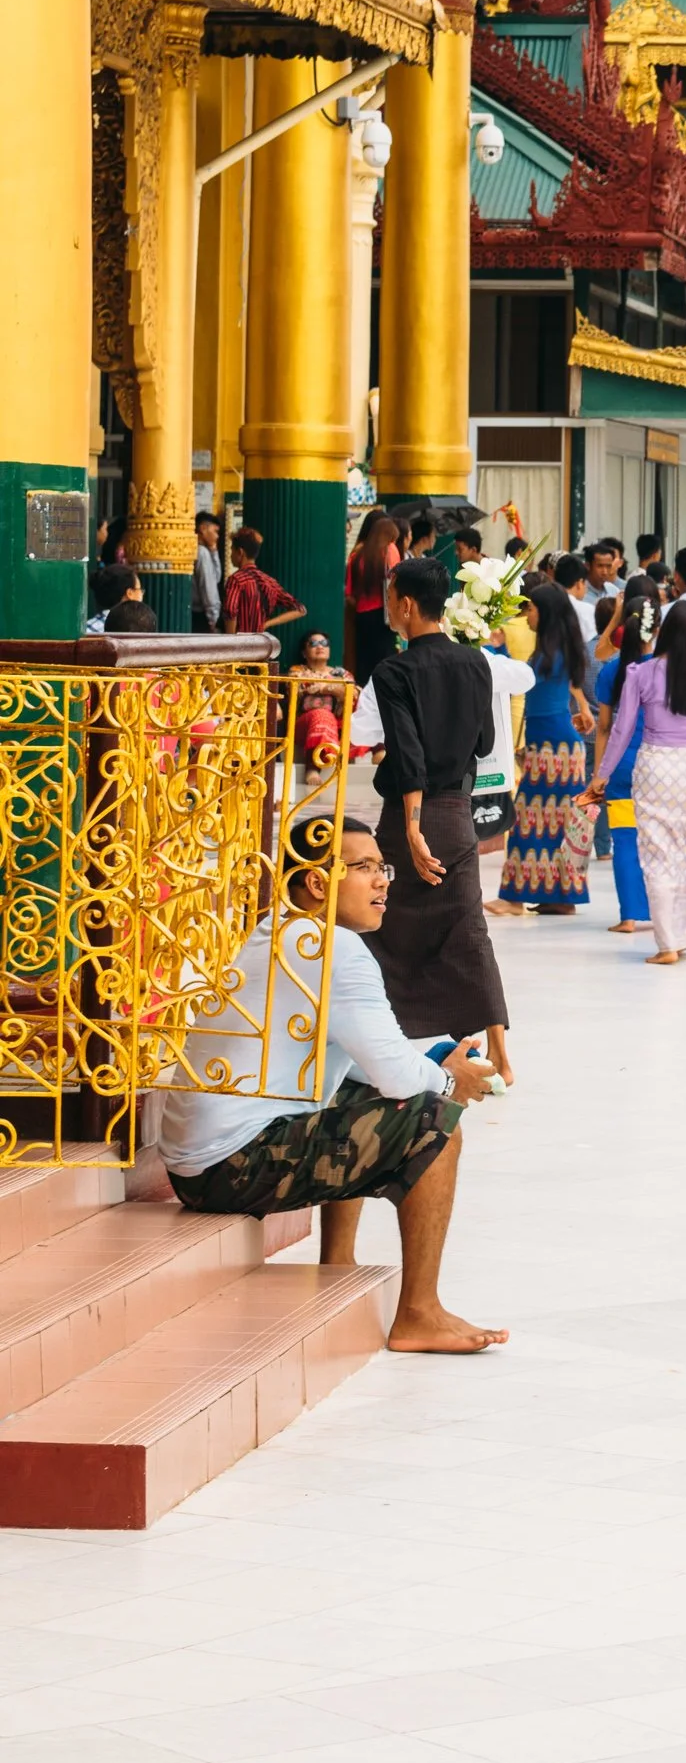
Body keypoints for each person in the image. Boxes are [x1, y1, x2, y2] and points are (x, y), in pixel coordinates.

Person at [163, 813, 505, 1353]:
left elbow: (377, 1064)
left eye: (382, 867)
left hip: (198, 1161)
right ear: (318, 883)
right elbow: (398, 1075)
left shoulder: (282, 930)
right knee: (434, 1122)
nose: (382, 881)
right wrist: (448, 1082)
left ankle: (338, 1264)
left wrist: (437, 1070)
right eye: (364, 868)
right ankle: (418, 1312)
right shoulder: (333, 949)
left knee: (377, 1097)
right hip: (226, 1168)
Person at [367, 557, 510, 1072]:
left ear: (406, 605)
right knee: (467, 929)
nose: (387, 606)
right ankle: (499, 1051)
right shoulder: (476, 663)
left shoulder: (393, 670)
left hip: (413, 822)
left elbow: (407, 756)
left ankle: (375, 1042)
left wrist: (410, 829)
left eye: (388, 597)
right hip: (457, 816)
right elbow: (485, 741)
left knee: (375, 924)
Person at [588, 596, 686, 966]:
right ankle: (680, 936)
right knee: (684, 854)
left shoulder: (640, 673)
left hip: (653, 767)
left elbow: (620, 730)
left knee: (655, 855)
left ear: (663, 630)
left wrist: (601, 776)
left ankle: (667, 944)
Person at [494, 578, 597, 918]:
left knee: (529, 820)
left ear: (547, 612)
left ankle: (513, 897)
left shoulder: (550, 653)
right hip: (559, 744)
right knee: (558, 825)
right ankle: (561, 896)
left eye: (532, 608)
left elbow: (526, 681)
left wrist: (497, 653)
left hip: (551, 746)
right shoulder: (561, 649)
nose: (527, 615)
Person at [590, 580, 659, 935]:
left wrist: (598, 776)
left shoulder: (612, 671)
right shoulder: (664, 670)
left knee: (626, 839)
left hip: (622, 766)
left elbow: (604, 728)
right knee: (659, 840)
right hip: (661, 764)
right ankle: (660, 911)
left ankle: (629, 916)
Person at [221, 525, 306, 645]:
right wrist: (266, 624)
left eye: (231, 551)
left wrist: (231, 641)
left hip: (240, 645)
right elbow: (300, 609)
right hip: (260, 645)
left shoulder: (236, 579)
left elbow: (230, 612)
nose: (230, 556)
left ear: (240, 552)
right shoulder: (269, 581)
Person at [346, 511, 401, 686]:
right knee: (385, 663)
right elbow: (397, 579)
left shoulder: (356, 555)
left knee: (364, 663)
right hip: (383, 616)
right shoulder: (390, 550)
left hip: (362, 616)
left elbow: (349, 593)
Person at [291, 629, 348, 772]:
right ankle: (312, 768)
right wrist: (335, 687)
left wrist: (323, 688)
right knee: (322, 714)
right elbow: (301, 685)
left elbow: (352, 693)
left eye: (324, 643)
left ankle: (379, 754)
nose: (320, 646)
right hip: (302, 726)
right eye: (314, 643)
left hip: (335, 725)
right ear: (304, 652)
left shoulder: (340, 673)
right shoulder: (297, 670)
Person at [191, 507, 225, 632]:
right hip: (202, 616)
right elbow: (208, 588)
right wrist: (213, 619)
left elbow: (216, 577)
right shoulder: (202, 553)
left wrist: (213, 550)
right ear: (203, 528)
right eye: (215, 531)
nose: (217, 536)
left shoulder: (205, 551)